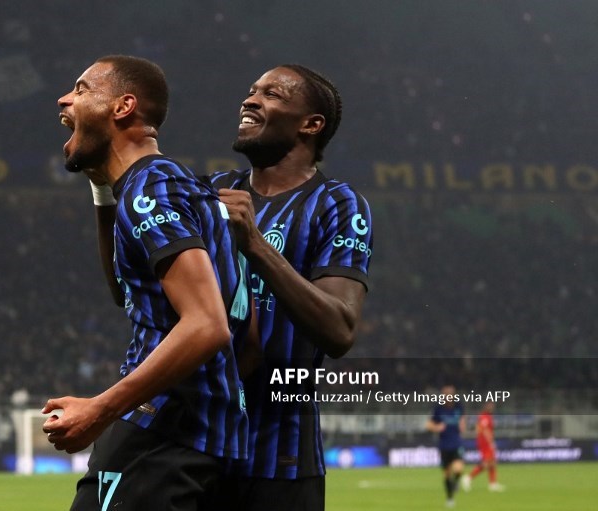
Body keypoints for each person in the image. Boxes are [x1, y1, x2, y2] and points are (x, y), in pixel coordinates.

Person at [41, 55, 253, 511]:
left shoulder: (151, 189)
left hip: (162, 435)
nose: (64, 98)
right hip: (210, 437)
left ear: (122, 107)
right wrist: (102, 190)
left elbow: (206, 324)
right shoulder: (184, 188)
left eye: (81, 89)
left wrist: (101, 409)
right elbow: (127, 292)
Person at [207, 64, 373, 511]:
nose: (250, 99)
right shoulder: (215, 191)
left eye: (272, 94)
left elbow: (340, 330)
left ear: (311, 124)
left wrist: (255, 245)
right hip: (199, 449)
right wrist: (104, 195)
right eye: (251, 89)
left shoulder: (337, 204)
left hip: (281, 458)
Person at [426, 385, 467, 508]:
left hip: (456, 443)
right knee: (447, 473)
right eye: (446, 394)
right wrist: (437, 427)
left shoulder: (459, 406)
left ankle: (456, 482)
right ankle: (450, 499)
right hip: (444, 445)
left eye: (451, 394)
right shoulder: (438, 409)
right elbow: (429, 424)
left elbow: (463, 419)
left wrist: (462, 424)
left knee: (458, 468)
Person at [461, 400, 505, 492]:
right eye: (490, 405)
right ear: (486, 406)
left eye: (493, 405)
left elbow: (479, 428)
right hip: (485, 443)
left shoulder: (486, 416)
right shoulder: (484, 416)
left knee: (492, 462)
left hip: (484, 442)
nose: (492, 407)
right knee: (486, 463)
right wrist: (491, 442)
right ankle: (468, 478)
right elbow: (484, 430)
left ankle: (493, 484)